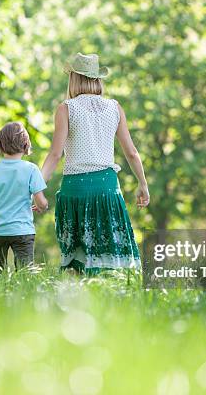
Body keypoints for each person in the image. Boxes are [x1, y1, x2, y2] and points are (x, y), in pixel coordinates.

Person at [40, 53, 149, 274]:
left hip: (75, 189)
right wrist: (142, 184)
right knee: (111, 261)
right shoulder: (114, 108)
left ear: (74, 78)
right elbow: (132, 152)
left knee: (77, 266)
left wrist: (37, 187)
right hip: (106, 187)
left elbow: (54, 155)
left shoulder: (66, 108)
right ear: (97, 78)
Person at [0, 122, 48, 271]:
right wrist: (42, 207)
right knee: (25, 272)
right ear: (25, 144)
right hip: (22, 230)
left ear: (0, 145)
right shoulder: (31, 169)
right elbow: (41, 202)